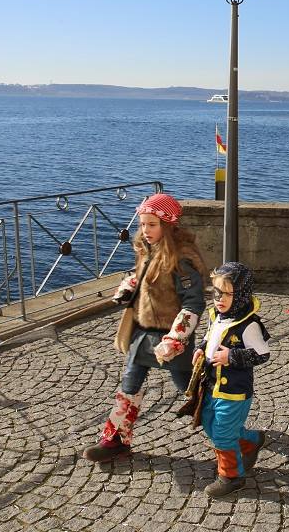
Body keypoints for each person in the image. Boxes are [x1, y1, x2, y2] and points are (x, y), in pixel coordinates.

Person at [82, 193, 207, 462]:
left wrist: (176, 338)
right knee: (129, 384)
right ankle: (116, 440)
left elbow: (193, 304)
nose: (145, 230)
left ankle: (232, 433)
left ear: (168, 224)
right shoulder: (149, 249)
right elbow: (141, 276)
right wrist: (128, 288)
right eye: (142, 224)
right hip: (143, 331)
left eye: (152, 224)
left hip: (170, 339)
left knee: (187, 388)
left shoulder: (182, 259)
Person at [192, 262, 271, 498]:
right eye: (216, 292)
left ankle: (231, 477)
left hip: (235, 392)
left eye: (227, 293)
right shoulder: (215, 315)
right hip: (211, 386)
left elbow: (262, 354)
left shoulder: (249, 325)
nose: (219, 298)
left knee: (223, 434)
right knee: (208, 423)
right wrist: (200, 348)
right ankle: (252, 441)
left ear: (241, 294)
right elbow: (210, 338)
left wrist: (232, 356)